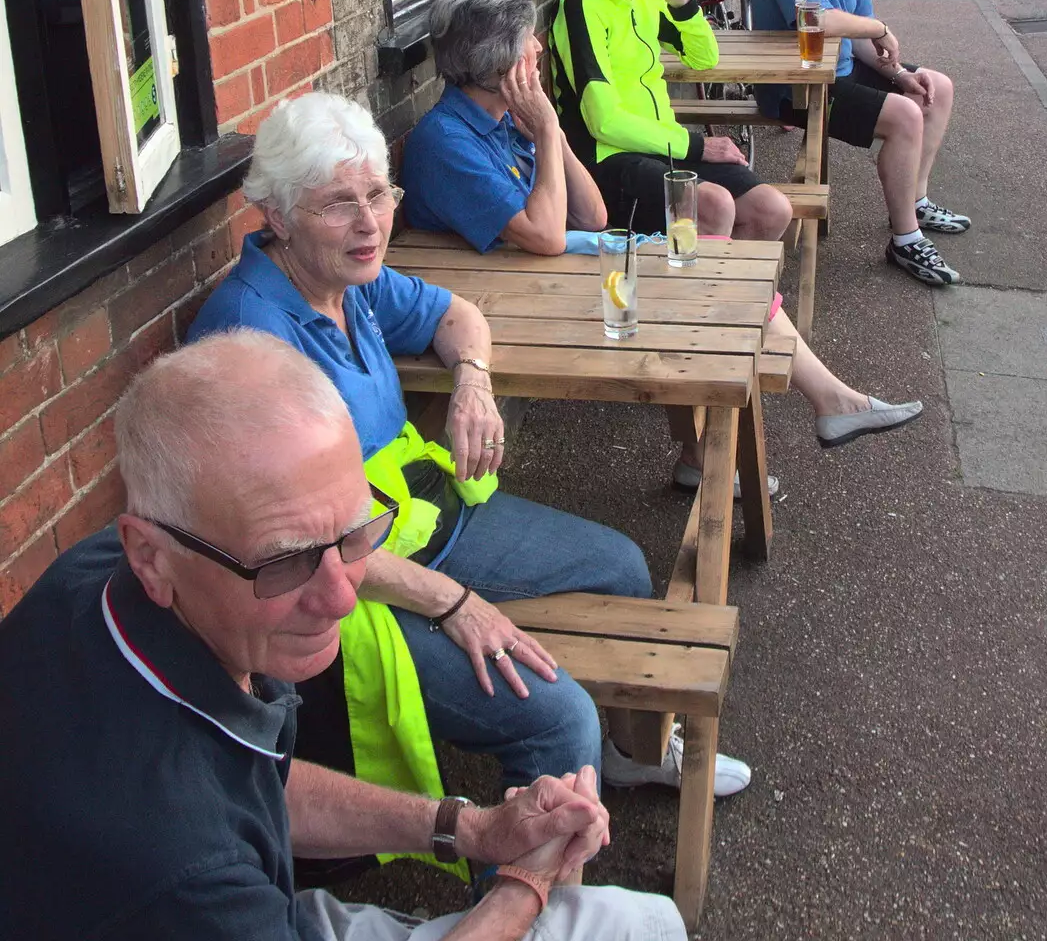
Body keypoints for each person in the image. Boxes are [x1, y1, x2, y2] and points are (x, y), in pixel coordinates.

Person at [0, 332, 686, 940]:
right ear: (151, 555)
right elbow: (204, 823)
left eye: (354, 534)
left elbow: (247, 782)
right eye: (285, 560)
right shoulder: (176, 865)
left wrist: (472, 828)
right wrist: (520, 889)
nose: (339, 595)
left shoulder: (106, 575)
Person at [189, 92, 749, 804]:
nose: (369, 224)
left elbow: (457, 314)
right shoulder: (249, 340)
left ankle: (632, 753)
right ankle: (527, 903)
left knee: (621, 565)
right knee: (556, 720)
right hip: (345, 594)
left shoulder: (343, 277)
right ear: (276, 214)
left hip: (427, 517)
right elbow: (291, 555)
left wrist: (473, 385)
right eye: (337, 204)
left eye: (378, 193)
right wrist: (454, 604)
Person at [551, 0, 923, 462]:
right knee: (715, 207)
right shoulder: (581, 7)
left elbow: (701, 58)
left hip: (662, 146)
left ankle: (731, 338)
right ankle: (710, 402)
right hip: (608, 164)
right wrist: (695, 142)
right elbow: (602, 120)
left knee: (771, 209)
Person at [751, 0, 969, 287]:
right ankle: (905, 239)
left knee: (934, 87)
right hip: (795, 86)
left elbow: (858, 38)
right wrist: (879, 26)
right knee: (906, 115)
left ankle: (917, 199)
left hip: (840, 70)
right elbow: (816, 19)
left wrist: (899, 75)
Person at [403, 0, 607, 255]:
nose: (538, 47)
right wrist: (547, 128)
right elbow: (548, 238)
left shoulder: (507, 120)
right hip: (489, 288)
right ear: (500, 60)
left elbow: (592, 218)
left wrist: (555, 137)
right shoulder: (446, 143)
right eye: (527, 37)